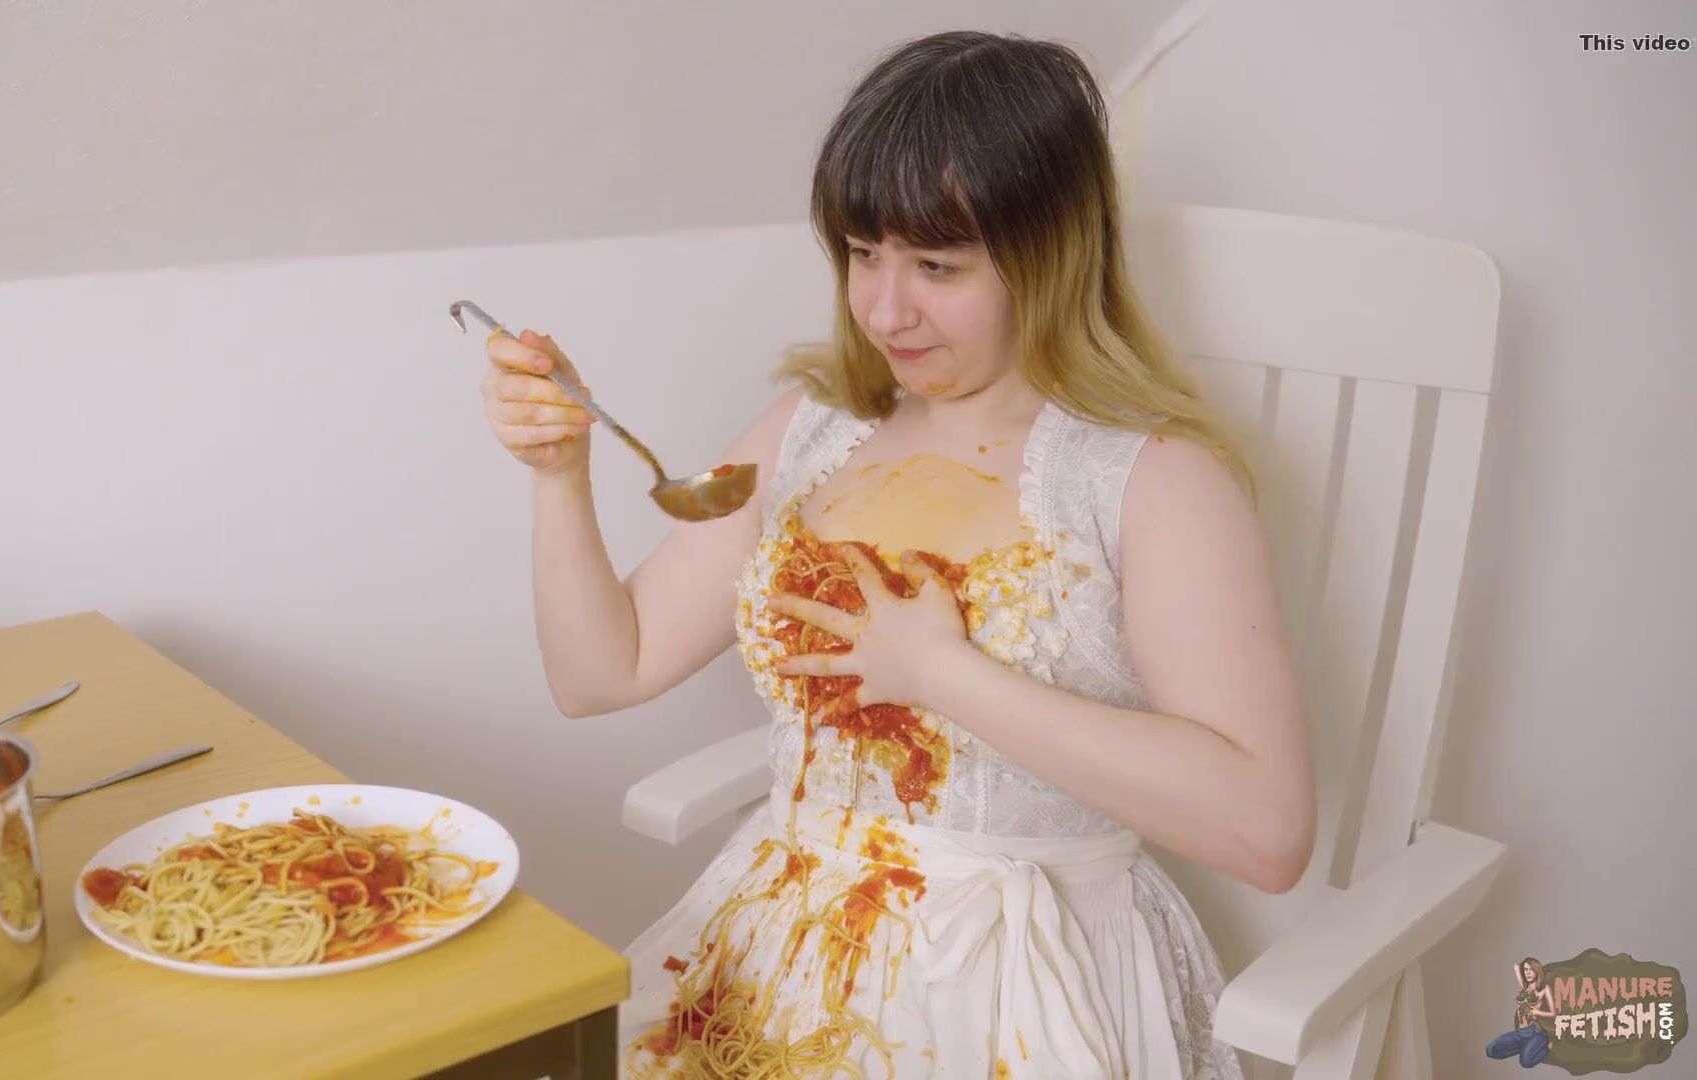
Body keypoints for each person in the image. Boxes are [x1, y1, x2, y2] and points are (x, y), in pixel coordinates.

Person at [479, 29, 1314, 1080]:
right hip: (781, 952)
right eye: (862, 255)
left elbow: (1267, 832)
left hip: (1022, 984)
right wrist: (560, 477)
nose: (884, 308)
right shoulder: (810, 434)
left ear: (1050, 254)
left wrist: (942, 673)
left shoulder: (1151, 480)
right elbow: (602, 673)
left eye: (936, 266)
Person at [1485, 958, 1557, 1068]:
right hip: (1520, 1032)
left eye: (1531, 969)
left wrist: (1537, 1012)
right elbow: (1516, 966)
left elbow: (1554, 1013)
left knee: (1525, 1062)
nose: (1527, 973)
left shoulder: (1544, 989)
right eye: (1525, 970)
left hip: (1534, 1032)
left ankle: (1546, 1047)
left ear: (1537, 970)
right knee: (1491, 1050)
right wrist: (1524, 966)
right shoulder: (1524, 986)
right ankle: (1523, 1047)